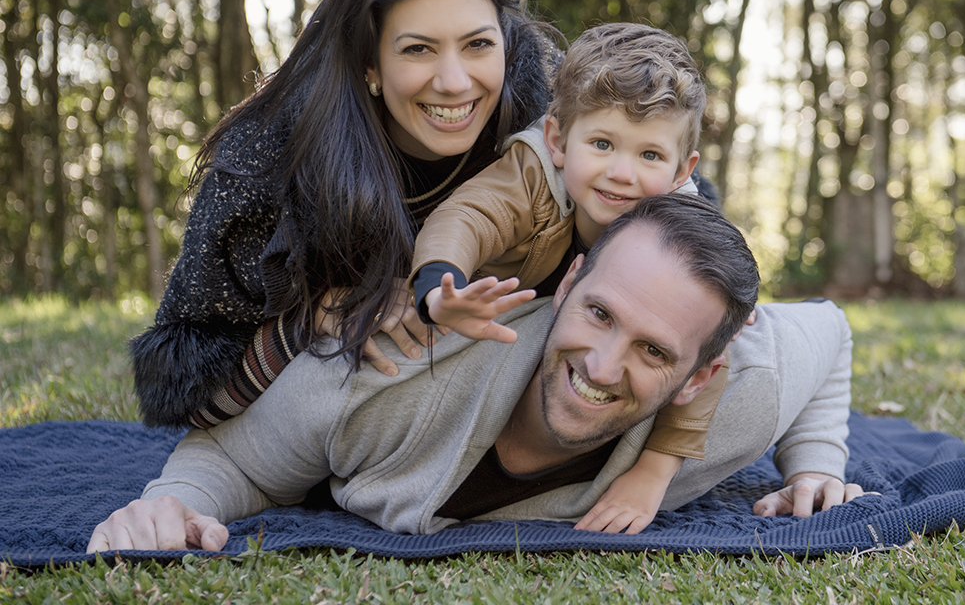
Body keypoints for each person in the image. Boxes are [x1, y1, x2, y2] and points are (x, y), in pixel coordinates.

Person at [88, 196, 862, 552]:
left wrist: (816, 463)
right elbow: (230, 456)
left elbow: (830, 328)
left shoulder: (746, 390)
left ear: (701, 375)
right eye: (598, 313)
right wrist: (167, 507)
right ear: (571, 279)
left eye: (654, 351)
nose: (601, 366)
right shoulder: (385, 377)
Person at [129, 0, 558, 430]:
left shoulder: (549, 113)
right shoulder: (271, 160)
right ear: (369, 63)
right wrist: (316, 315)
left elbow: (671, 217)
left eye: (478, 45)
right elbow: (176, 388)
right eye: (418, 49)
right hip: (318, 433)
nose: (454, 81)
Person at [407, 22, 716, 533]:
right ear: (557, 139)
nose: (622, 172)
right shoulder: (534, 173)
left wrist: (654, 471)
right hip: (499, 333)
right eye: (601, 143)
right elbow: (468, 217)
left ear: (684, 171)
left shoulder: (679, 226)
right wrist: (442, 285)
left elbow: (709, 354)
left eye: (650, 155)